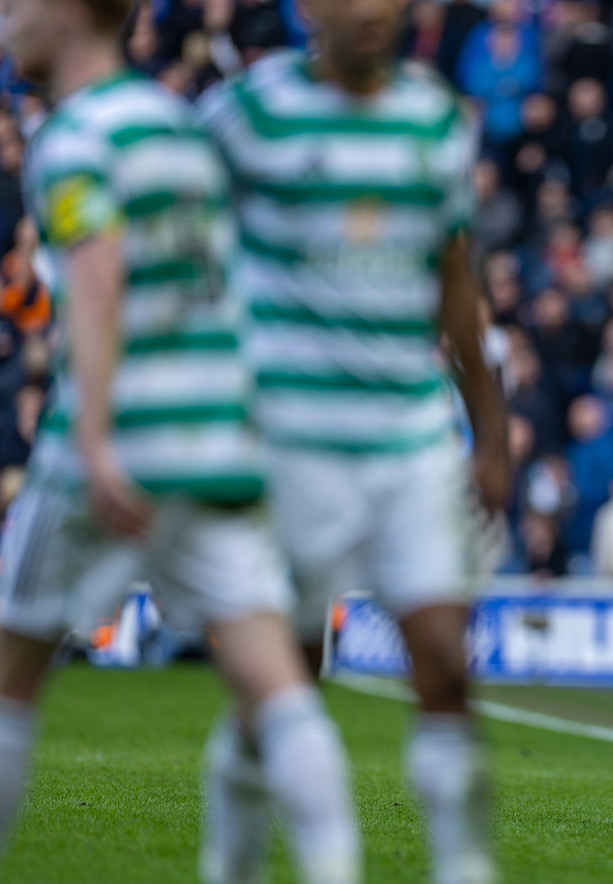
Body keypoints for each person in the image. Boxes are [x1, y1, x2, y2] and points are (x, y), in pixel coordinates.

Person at [0, 2, 362, 883]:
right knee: (277, 688)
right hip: (220, 437)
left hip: (119, 438)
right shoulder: (179, 123)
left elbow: (96, 284)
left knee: (10, 677)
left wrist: (91, 438)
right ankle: (334, 864)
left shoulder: (75, 134)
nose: (4, 21)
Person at [199, 0, 509, 881]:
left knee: (445, 662)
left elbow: (455, 280)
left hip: (409, 439)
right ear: (309, 9)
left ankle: (463, 865)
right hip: (291, 445)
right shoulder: (245, 117)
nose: (373, 11)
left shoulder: (439, 121)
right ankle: (234, 857)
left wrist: (491, 431)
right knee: (284, 677)